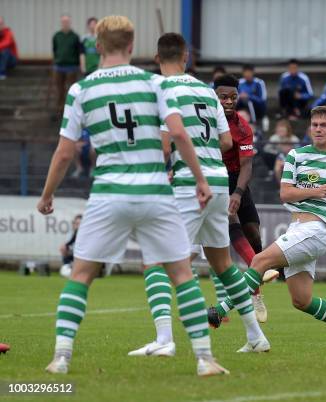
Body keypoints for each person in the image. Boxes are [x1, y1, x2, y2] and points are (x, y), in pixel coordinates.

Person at [38, 16, 228, 377]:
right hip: (155, 192)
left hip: (110, 193)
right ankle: (205, 359)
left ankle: (61, 357)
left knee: (81, 274)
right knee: (182, 274)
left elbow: (64, 153)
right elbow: (180, 136)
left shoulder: (82, 89)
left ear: (96, 46)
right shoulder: (155, 84)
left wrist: (48, 194)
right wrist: (200, 179)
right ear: (131, 45)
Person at [128, 34, 270, 359]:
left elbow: (165, 142)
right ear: (187, 56)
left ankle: (164, 338)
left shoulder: (162, 89)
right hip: (218, 181)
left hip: (190, 185)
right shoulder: (207, 91)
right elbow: (225, 143)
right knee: (223, 264)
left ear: (155, 57)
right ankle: (255, 335)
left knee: (158, 261)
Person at [208, 106, 326, 343]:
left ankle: (221, 310)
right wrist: (316, 190)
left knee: (260, 261)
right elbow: (285, 194)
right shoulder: (296, 156)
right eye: (315, 125)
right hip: (296, 228)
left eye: (324, 125)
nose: (318, 129)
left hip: (316, 230)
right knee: (302, 300)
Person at [213, 74, 277, 324]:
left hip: (237, 179)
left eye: (232, 97)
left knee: (253, 234)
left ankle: (255, 281)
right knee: (229, 229)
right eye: (223, 97)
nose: (228, 101)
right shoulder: (206, 122)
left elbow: (247, 165)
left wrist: (238, 193)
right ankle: (257, 288)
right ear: (214, 97)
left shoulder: (242, 127)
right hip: (213, 179)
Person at [52, 14, 81, 119]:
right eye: (63, 21)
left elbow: (78, 51)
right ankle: (60, 110)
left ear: (70, 23)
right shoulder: (57, 36)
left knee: (71, 90)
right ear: (61, 23)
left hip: (72, 67)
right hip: (59, 67)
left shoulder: (75, 36)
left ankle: (72, 112)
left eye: (67, 21)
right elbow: (55, 49)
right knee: (59, 90)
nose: (65, 23)